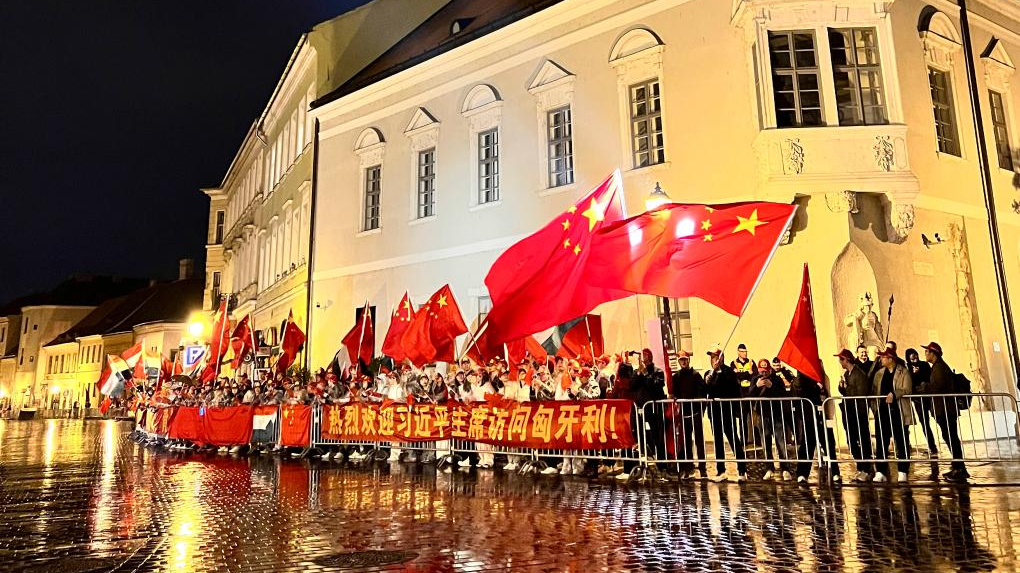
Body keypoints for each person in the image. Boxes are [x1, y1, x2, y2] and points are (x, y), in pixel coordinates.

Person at [922, 342, 968, 482]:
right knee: (949, 436)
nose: (926, 354)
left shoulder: (940, 368)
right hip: (943, 409)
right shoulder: (937, 367)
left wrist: (925, 387)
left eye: (927, 352)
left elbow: (938, 387)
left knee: (951, 437)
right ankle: (957, 466)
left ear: (933, 354)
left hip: (946, 409)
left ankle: (960, 468)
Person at [870, 347, 913, 483]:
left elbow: (907, 388)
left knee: (901, 441)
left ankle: (903, 470)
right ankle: (880, 470)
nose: (881, 359)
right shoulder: (879, 374)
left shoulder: (903, 372)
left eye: (883, 357)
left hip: (898, 412)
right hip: (882, 412)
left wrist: (894, 394)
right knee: (881, 442)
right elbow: (874, 391)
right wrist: (875, 408)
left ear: (890, 359)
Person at [704, 346, 747, 481]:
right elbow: (707, 389)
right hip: (715, 411)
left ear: (721, 358)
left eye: (716, 358)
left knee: (734, 439)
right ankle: (721, 471)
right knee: (718, 441)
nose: (714, 360)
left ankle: (742, 471)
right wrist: (709, 379)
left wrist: (719, 373)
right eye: (712, 358)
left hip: (727, 410)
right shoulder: (709, 373)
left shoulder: (728, 372)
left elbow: (730, 387)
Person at [836, 349, 873, 482]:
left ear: (847, 359)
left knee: (862, 439)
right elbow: (845, 391)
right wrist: (842, 387)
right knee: (851, 440)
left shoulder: (859, 374)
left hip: (859, 411)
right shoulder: (847, 374)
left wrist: (847, 388)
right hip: (849, 411)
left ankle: (866, 468)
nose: (840, 362)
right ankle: (860, 466)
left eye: (841, 359)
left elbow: (861, 393)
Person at [751, 359, 791, 481]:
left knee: (780, 442)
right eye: (762, 371)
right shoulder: (755, 380)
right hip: (762, 414)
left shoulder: (777, 380)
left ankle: (785, 468)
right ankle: (769, 468)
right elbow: (748, 395)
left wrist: (771, 386)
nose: (764, 374)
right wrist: (756, 387)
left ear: (770, 369)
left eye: (766, 371)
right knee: (765, 442)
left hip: (776, 414)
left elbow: (783, 395)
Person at [671, 350, 707, 479]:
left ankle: (702, 468)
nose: (683, 362)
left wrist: (700, 410)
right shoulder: (676, 377)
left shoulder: (696, 375)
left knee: (699, 441)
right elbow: (674, 394)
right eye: (681, 360)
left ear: (689, 360)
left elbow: (702, 394)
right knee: (686, 442)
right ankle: (688, 467)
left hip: (695, 413)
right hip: (684, 414)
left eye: (685, 359)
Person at [905, 347, 939, 479]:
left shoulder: (924, 365)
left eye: (916, 357)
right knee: (924, 422)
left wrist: (920, 373)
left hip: (928, 397)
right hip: (918, 400)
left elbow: (929, 378)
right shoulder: (907, 368)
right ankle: (932, 445)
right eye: (912, 358)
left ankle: (934, 446)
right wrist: (913, 374)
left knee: (936, 419)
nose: (915, 360)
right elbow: (909, 384)